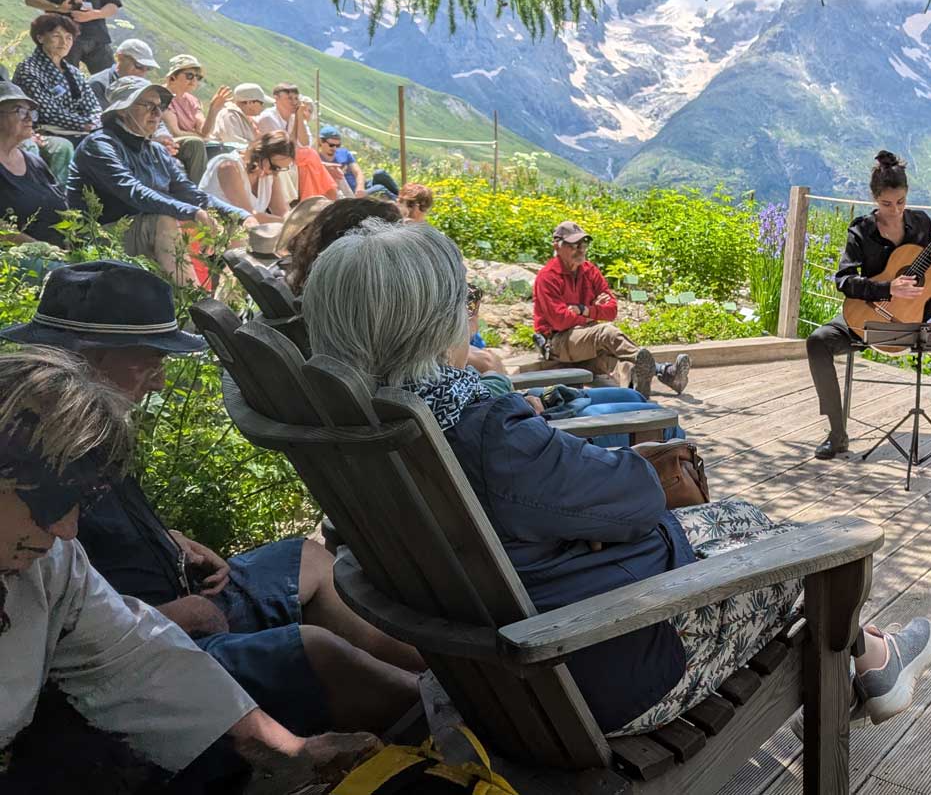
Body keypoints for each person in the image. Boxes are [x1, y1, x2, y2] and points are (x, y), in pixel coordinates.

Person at [303, 220, 931, 736]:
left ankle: (871, 660)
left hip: (486, 671)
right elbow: (635, 497)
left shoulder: (354, 427)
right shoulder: (479, 426)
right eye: (462, 300)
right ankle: (869, 662)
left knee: (746, 519)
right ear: (434, 321)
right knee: (811, 559)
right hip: (592, 671)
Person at [0, 260, 426, 738]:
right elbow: (62, 637)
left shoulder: (87, 432)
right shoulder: (38, 451)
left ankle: (441, 679)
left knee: (307, 558)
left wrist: (167, 538)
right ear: (92, 356)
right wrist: (165, 618)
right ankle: (446, 721)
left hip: (173, 597)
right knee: (316, 651)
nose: (159, 381)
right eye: (151, 360)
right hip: (146, 641)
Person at [0, 345, 380, 787]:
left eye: (78, 504)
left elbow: (130, 655)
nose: (66, 530)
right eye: (49, 501)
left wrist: (288, 751)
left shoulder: (50, 563)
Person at [284, 199, 677, 446]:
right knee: (656, 419)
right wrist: (507, 400)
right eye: (464, 299)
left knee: (631, 397)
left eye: (583, 244)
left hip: (510, 418)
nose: (580, 250)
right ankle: (656, 371)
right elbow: (565, 317)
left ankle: (650, 373)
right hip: (549, 365)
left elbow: (610, 306)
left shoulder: (361, 391)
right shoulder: (451, 408)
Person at [806, 151, 931, 459]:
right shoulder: (861, 230)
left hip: (915, 314)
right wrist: (887, 288)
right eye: (886, 204)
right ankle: (837, 432)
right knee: (817, 342)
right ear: (875, 199)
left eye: (900, 202)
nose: (895, 211)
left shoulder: (921, 223)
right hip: (870, 315)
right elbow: (843, 280)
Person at [67, 76, 253, 284]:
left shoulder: (155, 150)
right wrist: (192, 211)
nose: (157, 113)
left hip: (138, 232)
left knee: (234, 227)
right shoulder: (100, 145)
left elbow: (188, 192)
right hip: (100, 237)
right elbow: (133, 192)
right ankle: (192, 304)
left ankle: (229, 304)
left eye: (160, 106)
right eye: (148, 105)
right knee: (163, 220)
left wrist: (240, 215)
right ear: (122, 110)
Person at [534, 220, 691, 396]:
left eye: (584, 244)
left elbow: (612, 310)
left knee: (613, 362)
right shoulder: (547, 277)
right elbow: (560, 320)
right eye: (574, 245)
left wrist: (583, 310)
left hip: (585, 340)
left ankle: (634, 386)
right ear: (557, 245)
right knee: (606, 333)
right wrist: (593, 311)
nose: (581, 249)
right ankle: (665, 371)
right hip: (558, 344)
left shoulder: (590, 271)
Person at [12, 13, 102, 180]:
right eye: (56, 36)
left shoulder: (74, 72)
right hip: (40, 128)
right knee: (66, 147)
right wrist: (85, 124)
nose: (64, 42)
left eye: (69, 37)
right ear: (40, 38)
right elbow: (48, 112)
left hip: (78, 127)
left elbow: (92, 105)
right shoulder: (28, 70)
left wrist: (95, 122)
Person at [0, 82, 68, 247]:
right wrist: (40, 249)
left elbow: (62, 204)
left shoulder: (34, 161)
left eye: (31, 112)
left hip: (59, 257)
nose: (30, 118)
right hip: (17, 261)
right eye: (20, 111)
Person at [158, 54, 230, 184]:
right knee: (195, 143)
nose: (194, 80)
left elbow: (204, 131)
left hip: (189, 141)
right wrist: (201, 137)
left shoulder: (192, 100)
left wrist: (213, 110)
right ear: (173, 77)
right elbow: (175, 132)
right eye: (189, 75)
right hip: (169, 142)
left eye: (198, 77)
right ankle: (200, 193)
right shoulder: (162, 95)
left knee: (223, 147)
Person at [197, 130, 296, 223]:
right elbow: (247, 215)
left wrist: (295, 220)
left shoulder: (268, 172)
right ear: (262, 155)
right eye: (274, 167)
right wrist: (287, 223)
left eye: (279, 169)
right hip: (213, 231)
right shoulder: (229, 167)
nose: (275, 173)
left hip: (241, 233)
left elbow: (281, 210)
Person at [87, 38, 159, 107]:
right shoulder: (98, 84)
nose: (143, 74)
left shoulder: (141, 88)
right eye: (138, 66)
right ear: (120, 57)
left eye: (148, 69)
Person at [214, 82, 268, 148]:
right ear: (250, 102)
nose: (263, 107)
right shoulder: (229, 114)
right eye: (261, 103)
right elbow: (232, 141)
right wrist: (257, 147)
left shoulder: (239, 116)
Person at [320, 126, 364, 196]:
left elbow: (358, 172)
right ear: (321, 142)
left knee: (380, 178)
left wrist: (360, 187)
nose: (334, 148)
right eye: (331, 145)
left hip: (357, 192)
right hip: (340, 195)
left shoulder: (344, 153)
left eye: (338, 145)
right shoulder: (318, 159)